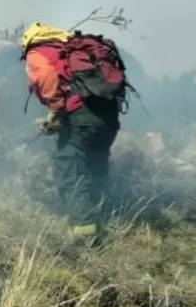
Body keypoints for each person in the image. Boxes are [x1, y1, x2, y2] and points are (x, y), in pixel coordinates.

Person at [21, 22, 122, 243]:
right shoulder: (74, 50)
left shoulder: (37, 53)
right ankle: (101, 215)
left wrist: (55, 111)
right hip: (109, 117)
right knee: (95, 165)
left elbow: (47, 76)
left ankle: (84, 236)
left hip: (82, 116)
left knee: (71, 169)